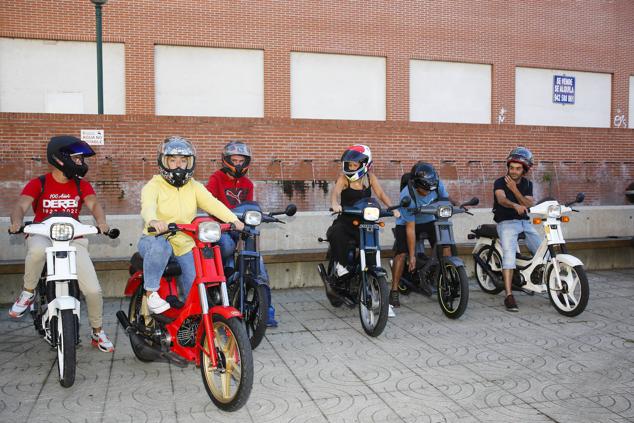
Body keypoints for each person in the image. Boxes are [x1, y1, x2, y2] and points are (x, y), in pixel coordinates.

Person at [8, 135, 115, 352]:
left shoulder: (81, 185)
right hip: (43, 233)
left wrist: (102, 222)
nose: (80, 163)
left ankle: (97, 331)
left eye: (80, 159)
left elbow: (94, 204)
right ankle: (28, 292)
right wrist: (16, 221)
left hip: (72, 237)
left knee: (93, 290)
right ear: (60, 158)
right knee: (37, 251)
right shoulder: (40, 182)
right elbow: (21, 204)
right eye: (76, 158)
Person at [139, 136, 244, 314]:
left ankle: (193, 319)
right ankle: (151, 294)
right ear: (164, 162)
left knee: (195, 281)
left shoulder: (193, 186)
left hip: (184, 243)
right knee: (160, 246)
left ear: (190, 163)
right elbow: (147, 206)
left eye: (183, 160)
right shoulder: (154, 185)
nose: (178, 165)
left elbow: (213, 203)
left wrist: (233, 220)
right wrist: (154, 221)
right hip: (154, 239)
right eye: (172, 160)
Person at [206, 141, 278, 327]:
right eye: (234, 160)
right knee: (227, 247)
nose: (238, 164)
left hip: (242, 228)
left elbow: (249, 207)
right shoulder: (216, 178)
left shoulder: (247, 183)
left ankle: (266, 309)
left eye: (241, 160)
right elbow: (208, 202)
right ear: (226, 160)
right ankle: (220, 289)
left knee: (258, 262)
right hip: (222, 228)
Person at [390, 162, 455, 308]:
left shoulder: (436, 184)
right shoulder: (407, 195)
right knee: (401, 253)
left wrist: (457, 205)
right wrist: (411, 256)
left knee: (446, 245)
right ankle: (393, 290)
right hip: (407, 223)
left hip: (429, 219)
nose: (428, 192)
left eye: (430, 189)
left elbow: (445, 199)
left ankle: (446, 278)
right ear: (415, 184)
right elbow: (410, 229)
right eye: (424, 189)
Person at [328, 144, 399, 276]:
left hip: (364, 221)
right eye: (349, 165)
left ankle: (368, 268)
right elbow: (335, 194)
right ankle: (340, 264)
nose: (351, 168)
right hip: (347, 220)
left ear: (365, 164)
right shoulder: (344, 179)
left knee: (371, 238)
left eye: (354, 165)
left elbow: (381, 194)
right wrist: (335, 204)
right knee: (336, 233)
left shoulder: (370, 178)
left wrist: (392, 208)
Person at [493, 146, 541, 312]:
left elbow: (528, 204)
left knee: (542, 250)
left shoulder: (527, 184)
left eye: (518, 168)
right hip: (506, 222)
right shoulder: (500, 182)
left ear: (524, 170)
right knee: (509, 256)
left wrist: (515, 190)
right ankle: (508, 295)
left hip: (525, 222)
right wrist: (514, 204)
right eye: (511, 168)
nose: (513, 171)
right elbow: (501, 199)